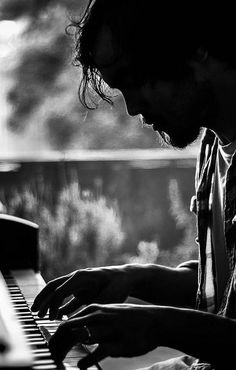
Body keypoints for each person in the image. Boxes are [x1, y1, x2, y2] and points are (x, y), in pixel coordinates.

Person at [31, 1, 236, 369]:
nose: (133, 108)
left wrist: (158, 324)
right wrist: (133, 277)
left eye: (137, 78)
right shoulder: (213, 144)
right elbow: (221, 292)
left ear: (196, 48)